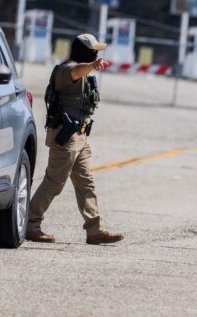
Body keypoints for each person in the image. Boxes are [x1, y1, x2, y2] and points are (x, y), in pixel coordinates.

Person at [26, 34, 125, 245]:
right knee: (54, 183)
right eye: (93, 51)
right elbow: (77, 71)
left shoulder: (85, 73)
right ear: (85, 52)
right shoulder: (65, 70)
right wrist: (92, 65)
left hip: (80, 136)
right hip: (66, 137)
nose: (97, 54)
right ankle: (30, 224)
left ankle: (95, 229)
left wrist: (91, 67)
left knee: (86, 182)